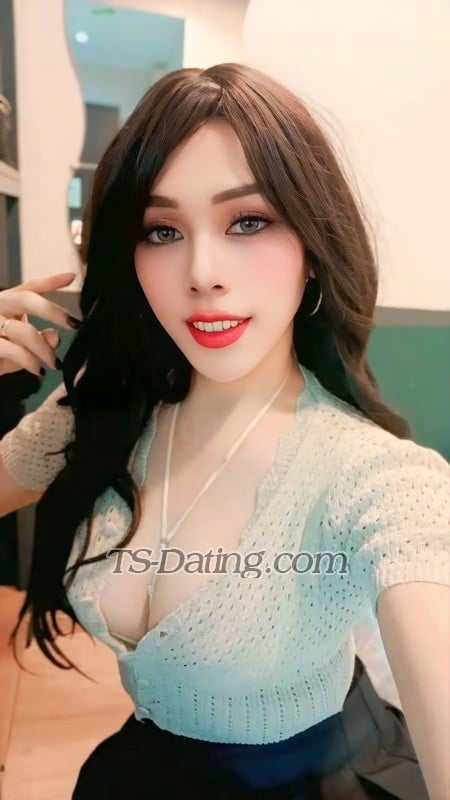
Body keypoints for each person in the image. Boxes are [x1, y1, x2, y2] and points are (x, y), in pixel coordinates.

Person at [0, 63, 448, 800]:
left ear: (313, 246)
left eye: (248, 221)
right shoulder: (100, 412)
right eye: (162, 230)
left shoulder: (376, 476)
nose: (202, 272)